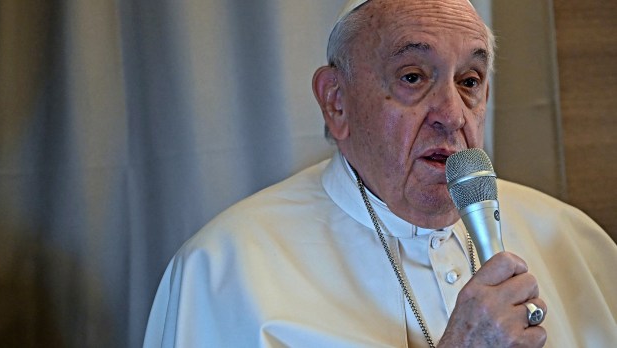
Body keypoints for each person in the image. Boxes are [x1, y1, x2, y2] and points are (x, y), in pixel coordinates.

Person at [143, 0, 617, 347]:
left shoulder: (573, 238)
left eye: (469, 81)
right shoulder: (223, 272)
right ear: (336, 101)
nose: (452, 115)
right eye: (413, 77)